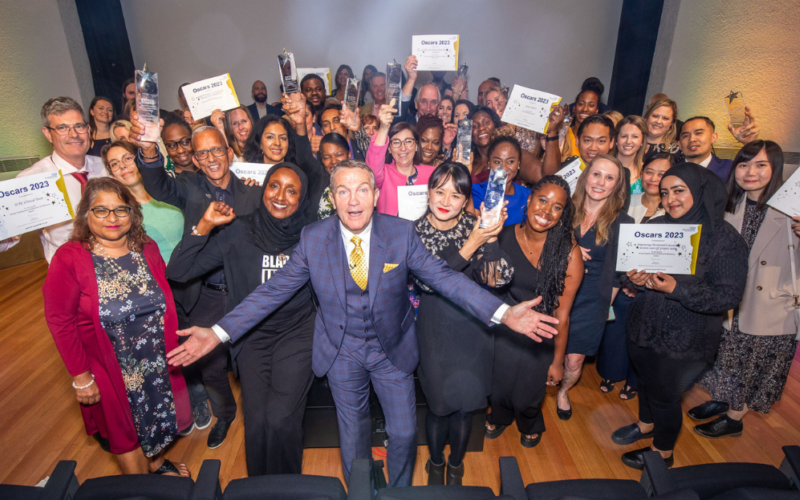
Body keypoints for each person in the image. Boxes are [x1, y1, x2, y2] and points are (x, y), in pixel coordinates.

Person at [166, 159, 563, 487]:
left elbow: (445, 278)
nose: (353, 200)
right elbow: (272, 292)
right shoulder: (313, 238)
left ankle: (398, 493)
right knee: (353, 436)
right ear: (332, 198)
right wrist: (217, 332)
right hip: (341, 351)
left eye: (361, 190)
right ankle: (360, 491)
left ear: (375, 196)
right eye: (343, 191)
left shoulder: (401, 233)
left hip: (392, 349)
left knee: (404, 433)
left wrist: (504, 313)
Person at [167, 163, 317, 476]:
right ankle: (259, 486)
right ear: (264, 189)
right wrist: (204, 225)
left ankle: (288, 487)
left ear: (302, 198)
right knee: (257, 421)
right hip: (250, 336)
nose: (280, 196)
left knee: (281, 418)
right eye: (274, 186)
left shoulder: (312, 235)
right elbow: (178, 272)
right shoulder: (239, 231)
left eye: (292, 191)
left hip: (298, 334)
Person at [43, 177, 192, 477]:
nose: (112, 218)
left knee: (156, 415)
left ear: (132, 213)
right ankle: (140, 488)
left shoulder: (146, 247)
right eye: (101, 210)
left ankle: (155, 463)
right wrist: (81, 377)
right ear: (86, 214)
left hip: (154, 358)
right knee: (124, 429)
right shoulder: (70, 257)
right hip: (110, 365)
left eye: (121, 209)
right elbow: (60, 321)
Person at [130, 115, 263, 449]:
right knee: (211, 366)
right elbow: (157, 184)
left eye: (217, 150)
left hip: (245, 292)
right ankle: (225, 415)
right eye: (202, 153)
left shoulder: (252, 191)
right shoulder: (189, 186)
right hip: (207, 294)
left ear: (229, 152)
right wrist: (149, 149)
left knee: (250, 361)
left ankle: (258, 414)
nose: (211, 158)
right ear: (196, 159)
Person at [611, 163, 748, 470]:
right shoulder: (656, 225)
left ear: (700, 191)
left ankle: (662, 452)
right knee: (645, 382)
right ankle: (646, 425)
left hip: (685, 339)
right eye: (664, 192)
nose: (670, 199)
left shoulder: (724, 239)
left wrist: (677, 289)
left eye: (678, 191)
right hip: (643, 327)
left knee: (665, 396)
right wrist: (633, 279)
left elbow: (728, 296)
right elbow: (628, 274)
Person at [690, 140, 800, 438]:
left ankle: (734, 418)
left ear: (776, 168)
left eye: (761, 165)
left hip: (770, 304)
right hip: (731, 299)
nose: (750, 172)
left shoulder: (792, 211)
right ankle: (723, 399)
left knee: (752, 365)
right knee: (726, 357)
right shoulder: (729, 205)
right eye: (743, 164)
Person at [414, 162, 513, 485]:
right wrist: (473, 242)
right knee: (439, 405)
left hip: (472, 328)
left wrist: (491, 236)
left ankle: (456, 466)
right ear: (428, 192)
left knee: (464, 407)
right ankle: (436, 464)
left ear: (466, 200)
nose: (446, 200)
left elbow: (498, 279)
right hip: (434, 328)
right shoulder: (412, 232)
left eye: (456, 195)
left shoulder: (476, 225)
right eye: (439, 191)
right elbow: (429, 282)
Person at [485, 176, 583, 449]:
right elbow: (489, 282)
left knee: (528, 394)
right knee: (499, 384)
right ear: (529, 200)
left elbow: (562, 315)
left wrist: (558, 361)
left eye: (557, 207)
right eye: (542, 200)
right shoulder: (504, 235)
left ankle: (530, 422)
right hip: (505, 323)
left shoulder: (568, 252)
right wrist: (489, 237)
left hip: (541, 330)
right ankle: (500, 415)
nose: (547, 211)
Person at [556, 155, 632, 419]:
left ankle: (563, 392)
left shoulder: (623, 223)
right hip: (556, 291)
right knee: (547, 350)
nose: (600, 182)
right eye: (596, 174)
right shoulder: (563, 209)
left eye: (609, 178)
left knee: (574, 359)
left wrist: (604, 307)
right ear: (585, 176)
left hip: (593, 298)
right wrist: (569, 249)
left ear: (617, 185)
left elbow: (618, 274)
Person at [596, 153, 672, 401]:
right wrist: (625, 281)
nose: (654, 178)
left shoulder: (673, 208)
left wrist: (641, 282)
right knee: (615, 332)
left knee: (643, 336)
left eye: (662, 174)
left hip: (654, 287)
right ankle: (610, 372)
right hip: (620, 280)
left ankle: (634, 380)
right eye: (649, 171)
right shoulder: (627, 201)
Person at [7, 97, 108, 261]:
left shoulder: (107, 167)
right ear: (48, 134)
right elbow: (8, 237)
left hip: (116, 263)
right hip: (69, 269)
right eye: (62, 128)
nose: (74, 134)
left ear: (88, 129)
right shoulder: (32, 180)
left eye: (79, 126)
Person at [101, 141, 184, 263]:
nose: (122, 166)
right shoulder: (121, 214)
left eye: (128, 158)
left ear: (141, 160)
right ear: (112, 175)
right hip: (158, 272)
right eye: (114, 164)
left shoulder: (170, 190)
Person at [365, 101, 435, 216]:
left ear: (416, 146)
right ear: (389, 148)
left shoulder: (432, 174)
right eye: (396, 142)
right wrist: (383, 128)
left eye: (408, 141)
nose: (403, 148)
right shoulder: (384, 175)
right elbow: (372, 167)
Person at [469, 136, 532, 226]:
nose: (504, 168)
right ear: (489, 164)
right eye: (497, 162)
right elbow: (472, 222)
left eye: (510, 162)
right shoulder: (477, 191)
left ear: (518, 164)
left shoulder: (528, 195)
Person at [679, 116, 759, 181]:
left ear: (713, 137)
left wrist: (749, 143)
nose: (692, 139)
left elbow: (756, 176)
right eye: (685, 136)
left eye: (698, 133)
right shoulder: (673, 170)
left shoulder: (730, 168)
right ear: (679, 144)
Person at [317, 133, 352, 219]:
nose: (333, 161)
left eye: (339, 155)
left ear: (349, 154)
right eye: (327, 157)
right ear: (322, 159)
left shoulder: (359, 182)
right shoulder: (317, 182)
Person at [614, 116, 648, 194]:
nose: (628, 141)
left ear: (642, 141)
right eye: (624, 136)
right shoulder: (602, 167)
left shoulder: (646, 172)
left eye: (635, 137)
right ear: (616, 140)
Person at [643, 99, 683, 164]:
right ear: (646, 117)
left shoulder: (675, 152)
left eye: (665, 118)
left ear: (672, 123)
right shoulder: (631, 143)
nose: (658, 121)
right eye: (655, 116)